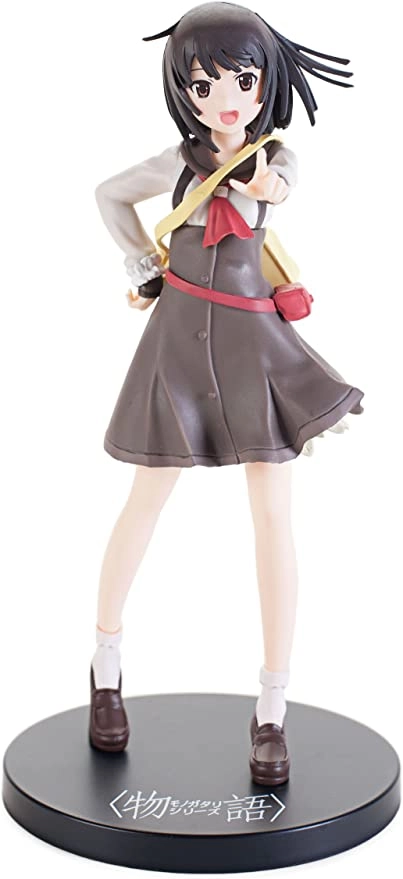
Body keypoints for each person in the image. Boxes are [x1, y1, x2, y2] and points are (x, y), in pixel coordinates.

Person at [89, 2, 364, 785]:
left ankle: (271, 707)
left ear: (267, 81)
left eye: (242, 80)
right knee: (144, 498)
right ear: (182, 89)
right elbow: (109, 193)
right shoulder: (175, 162)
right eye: (203, 83)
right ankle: (104, 666)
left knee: (272, 514)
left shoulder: (276, 157)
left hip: (251, 346)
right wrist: (141, 263)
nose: (225, 99)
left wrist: (266, 179)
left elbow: (276, 184)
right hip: (176, 342)